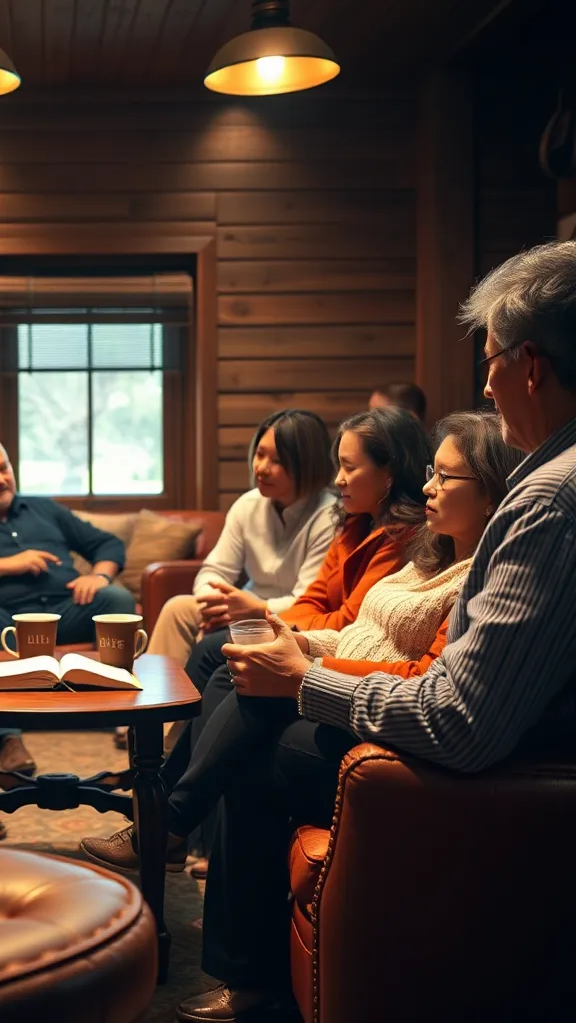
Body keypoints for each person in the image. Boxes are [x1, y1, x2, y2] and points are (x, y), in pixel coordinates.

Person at [166, 240, 576, 1022]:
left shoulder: (550, 499)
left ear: (529, 365)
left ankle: (238, 967)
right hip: (505, 752)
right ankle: (186, 847)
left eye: (489, 362)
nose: (485, 384)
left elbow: (460, 721)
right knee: (242, 677)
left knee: (258, 735)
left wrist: (305, 681)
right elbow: (335, 612)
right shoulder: (528, 491)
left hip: (491, 780)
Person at [81, 410, 521, 876]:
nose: (339, 478)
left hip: (366, 698)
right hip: (336, 656)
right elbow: (329, 609)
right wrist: (293, 637)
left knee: (242, 680)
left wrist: (300, 655)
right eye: (433, 473)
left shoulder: (427, 550)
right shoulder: (399, 541)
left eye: (350, 466)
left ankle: (167, 819)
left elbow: (406, 664)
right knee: (228, 658)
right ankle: (168, 817)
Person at [0, 433, 136, 775]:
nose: (0, 479)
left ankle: (126, 717)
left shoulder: (44, 509)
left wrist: (99, 577)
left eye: (3, 468)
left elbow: (107, 544)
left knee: (117, 598)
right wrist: (10, 563)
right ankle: (7, 739)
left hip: (66, 611)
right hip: (6, 623)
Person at [182, 405, 431, 696]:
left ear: (389, 472)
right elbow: (315, 596)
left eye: (349, 468)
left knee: (221, 658)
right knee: (215, 648)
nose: (339, 479)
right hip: (308, 630)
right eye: (259, 455)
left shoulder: (402, 536)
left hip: (344, 653)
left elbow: (349, 620)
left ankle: (170, 735)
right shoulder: (353, 521)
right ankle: (166, 732)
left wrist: (271, 622)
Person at [147, 409, 337, 665]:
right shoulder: (248, 505)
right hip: (242, 611)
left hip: (293, 620)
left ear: (307, 465)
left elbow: (307, 601)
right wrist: (215, 608)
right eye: (259, 455)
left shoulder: (329, 515)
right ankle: (161, 702)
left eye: (278, 461)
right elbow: (213, 570)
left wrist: (255, 607)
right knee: (178, 608)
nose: (261, 468)